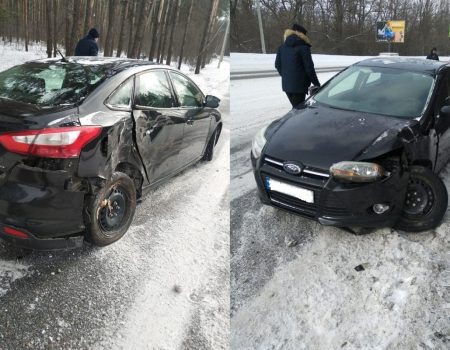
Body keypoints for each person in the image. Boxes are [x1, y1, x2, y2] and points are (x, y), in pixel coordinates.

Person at [275, 24, 320, 107]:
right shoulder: (304, 48)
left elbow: (277, 65)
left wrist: (286, 76)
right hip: (299, 86)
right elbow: (309, 68)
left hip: (287, 86)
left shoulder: (282, 47)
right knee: (298, 111)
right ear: (302, 35)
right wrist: (317, 84)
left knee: (296, 108)